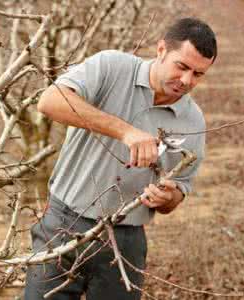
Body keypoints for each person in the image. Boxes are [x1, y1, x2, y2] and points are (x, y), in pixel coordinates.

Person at [24, 18, 217, 299]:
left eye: (198, 74)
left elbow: (180, 191)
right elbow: (50, 101)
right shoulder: (112, 66)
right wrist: (126, 132)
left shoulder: (193, 121)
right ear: (161, 49)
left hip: (126, 238)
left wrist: (168, 198)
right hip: (63, 222)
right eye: (182, 67)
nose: (187, 81)